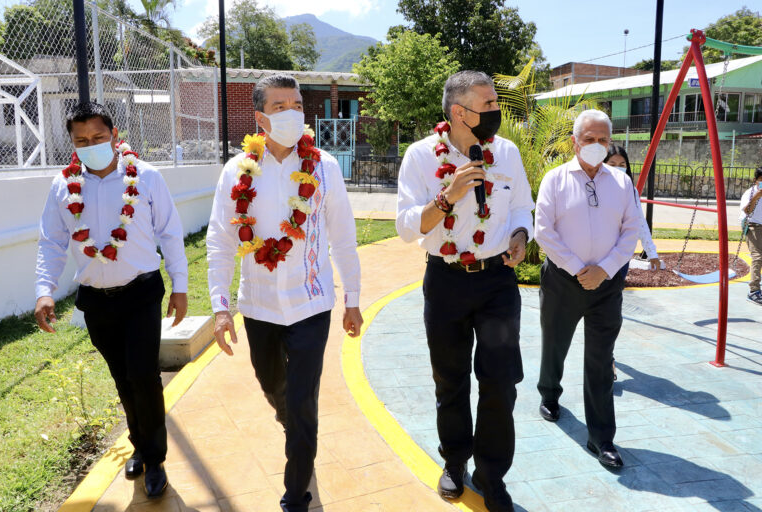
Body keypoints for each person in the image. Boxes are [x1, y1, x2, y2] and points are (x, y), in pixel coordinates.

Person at [206, 74, 363, 512]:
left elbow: (344, 238)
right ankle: (294, 425)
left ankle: (296, 493)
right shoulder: (236, 172)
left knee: (303, 400)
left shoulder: (325, 168)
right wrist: (221, 309)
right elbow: (220, 241)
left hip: (312, 304)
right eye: (280, 107)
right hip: (258, 307)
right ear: (259, 117)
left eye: (297, 104)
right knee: (272, 383)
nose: (293, 112)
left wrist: (352, 298)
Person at [396, 70, 534, 512]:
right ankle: (455, 462)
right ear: (459, 112)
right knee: (449, 380)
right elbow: (405, 227)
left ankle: (491, 475)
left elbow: (521, 207)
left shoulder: (507, 153)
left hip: (497, 282)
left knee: (500, 382)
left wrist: (519, 236)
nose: (497, 112)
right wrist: (447, 196)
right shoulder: (420, 157)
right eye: (489, 105)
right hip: (447, 280)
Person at [34, 101, 188, 497]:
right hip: (96, 301)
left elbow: (170, 232)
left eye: (98, 137)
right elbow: (51, 242)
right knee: (123, 378)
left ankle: (154, 459)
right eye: (81, 140)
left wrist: (181, 286)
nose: (91, 145)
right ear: (72, 142)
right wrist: (44, 291)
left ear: (114, 135)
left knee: (143, 375)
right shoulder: (62, 186)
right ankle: (139, 444)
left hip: (141, 292)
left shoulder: (146, 177)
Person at [534, 109, 640, 468]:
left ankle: (601, 438)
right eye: (589, 139)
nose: (596, 146)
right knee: (555, 343)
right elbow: (544, 231)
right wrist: (580, 270)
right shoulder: (555, 179)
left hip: (607, 286)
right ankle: (549, 393)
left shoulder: (622, 183)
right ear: (575, 142)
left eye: (603, 140)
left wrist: (604, 270)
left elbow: (630, 232)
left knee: (600, 360)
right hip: (563, 281)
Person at [604, 145, 660, 271]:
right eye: (612, 164)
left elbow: (639, 220)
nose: (617, 168)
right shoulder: (594, 188)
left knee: (615, 288)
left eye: (622, 164)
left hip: (621, 254)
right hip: (598, 253)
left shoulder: (630, 190)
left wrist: (651, 253)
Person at [740, 166, 762, 305]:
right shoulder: (750, 193)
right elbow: (747, 210)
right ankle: (753, 291)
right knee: (758, 256)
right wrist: (756, 196)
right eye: (761, 181)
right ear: (755, 181)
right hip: (753, 225)